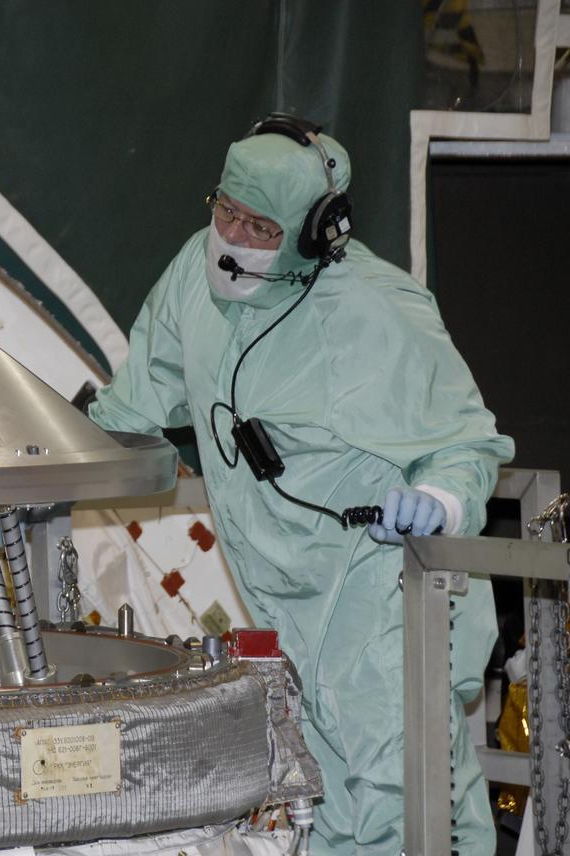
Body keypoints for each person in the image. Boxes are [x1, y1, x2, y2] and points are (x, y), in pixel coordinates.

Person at [89, 115, 514, 854]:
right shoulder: (198, 274)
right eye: (225, 211)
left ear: (318, 232)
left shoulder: (374, 310)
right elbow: (135, 404)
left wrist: (440, 501)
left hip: (379, 601)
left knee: (405, 805)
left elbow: (469, 443)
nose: (233, 239)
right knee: (321, 799)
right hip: (288, 607)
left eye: (259, 226)